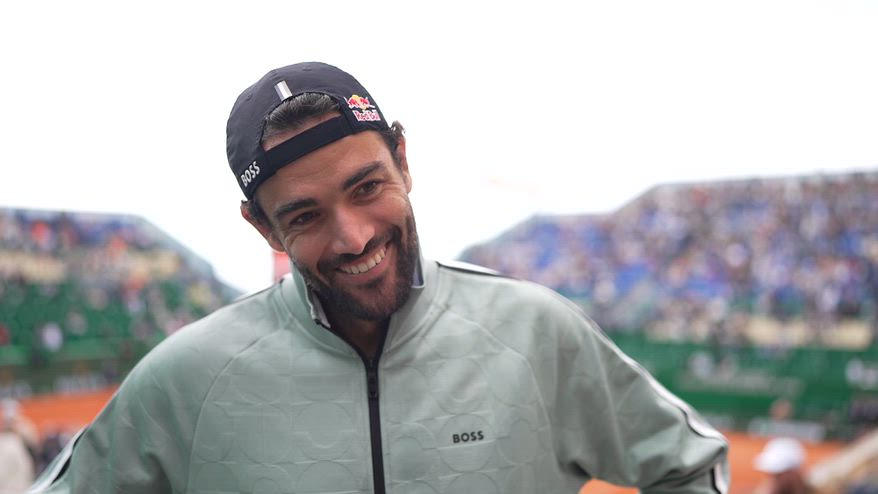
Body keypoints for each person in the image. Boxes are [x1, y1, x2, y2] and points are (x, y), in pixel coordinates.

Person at [30, 62, 729, 493]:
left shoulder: (535, 332)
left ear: (403, 159)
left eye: (367, 187)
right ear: (263, 228)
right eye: (305, 215)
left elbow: (689, 465)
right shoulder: (185, 379)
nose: (355, 237)